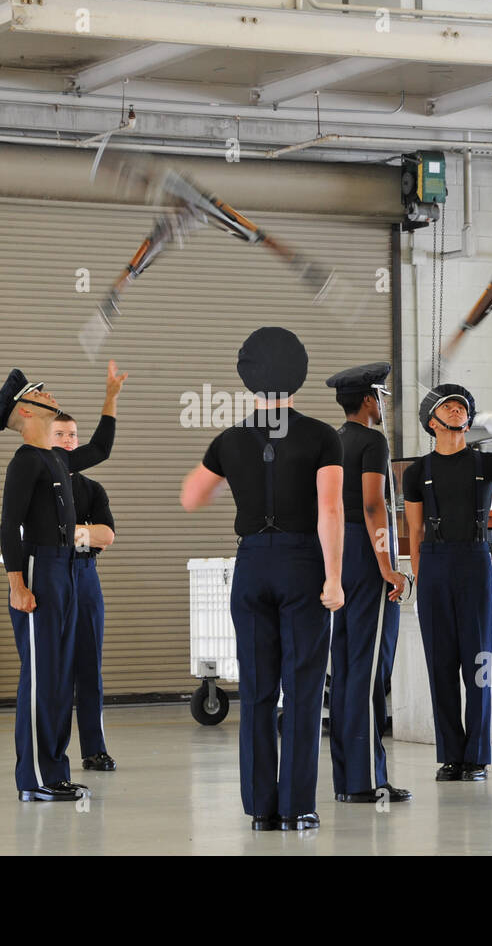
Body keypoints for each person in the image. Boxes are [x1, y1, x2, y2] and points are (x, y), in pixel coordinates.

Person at [180, 327, 344, 832]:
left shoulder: (229, 440)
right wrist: (334, 579)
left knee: (255, 690)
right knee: (301, 689)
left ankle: (261, 810)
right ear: (298, 376)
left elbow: (191, 496)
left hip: (250, 566)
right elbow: (331, 508)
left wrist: (239, 480)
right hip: (301, 565)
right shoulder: (321, 436)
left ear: (249, 381)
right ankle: (299, 807)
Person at [0, 361, 127, 801]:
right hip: (38, 568)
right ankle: (34, 780)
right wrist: (17, 585)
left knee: (58, 677)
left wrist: (110, 397)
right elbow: (8, 526)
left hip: (66, 568)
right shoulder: (25, 462)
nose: (50, 396)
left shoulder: (55, 458)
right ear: (27, 411)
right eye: (42, 393)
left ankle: (55, 772)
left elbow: (102, 449)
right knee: (41, 676)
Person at [403, 384, 492, 783]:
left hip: (474, 562)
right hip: (434, 565)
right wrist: (420, 577)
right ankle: (451, 755)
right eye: (448, 405)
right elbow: (414, 531)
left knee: (477, 663)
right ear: (433, 421)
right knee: (441, 665)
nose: (457, 410)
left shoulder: (487, 461)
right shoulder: (417, 471)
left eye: (462, 406)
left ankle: (477, 757)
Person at [323, 362, 411, 805]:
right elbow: (374, 505)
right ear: (369, 400)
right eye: (382, 397)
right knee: (371, 670)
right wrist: (387, 568)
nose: (383, 405)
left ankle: (347, 778)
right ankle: (367, 779)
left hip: (339, 553)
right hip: (365, 553)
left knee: (347, 668)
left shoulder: (333, 441)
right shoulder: (371, 441)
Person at [52, 413, 118, 772]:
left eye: (72, 434)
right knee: (55, 670)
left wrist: (65, 532)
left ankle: (94, 748)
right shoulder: (40, 482)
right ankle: (54, 751)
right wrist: (84, 532)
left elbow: (106, 537)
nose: (67, 439)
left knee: (89, 667)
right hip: (51, 577)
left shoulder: (92, 490)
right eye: (60, 433)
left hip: (85, 578)